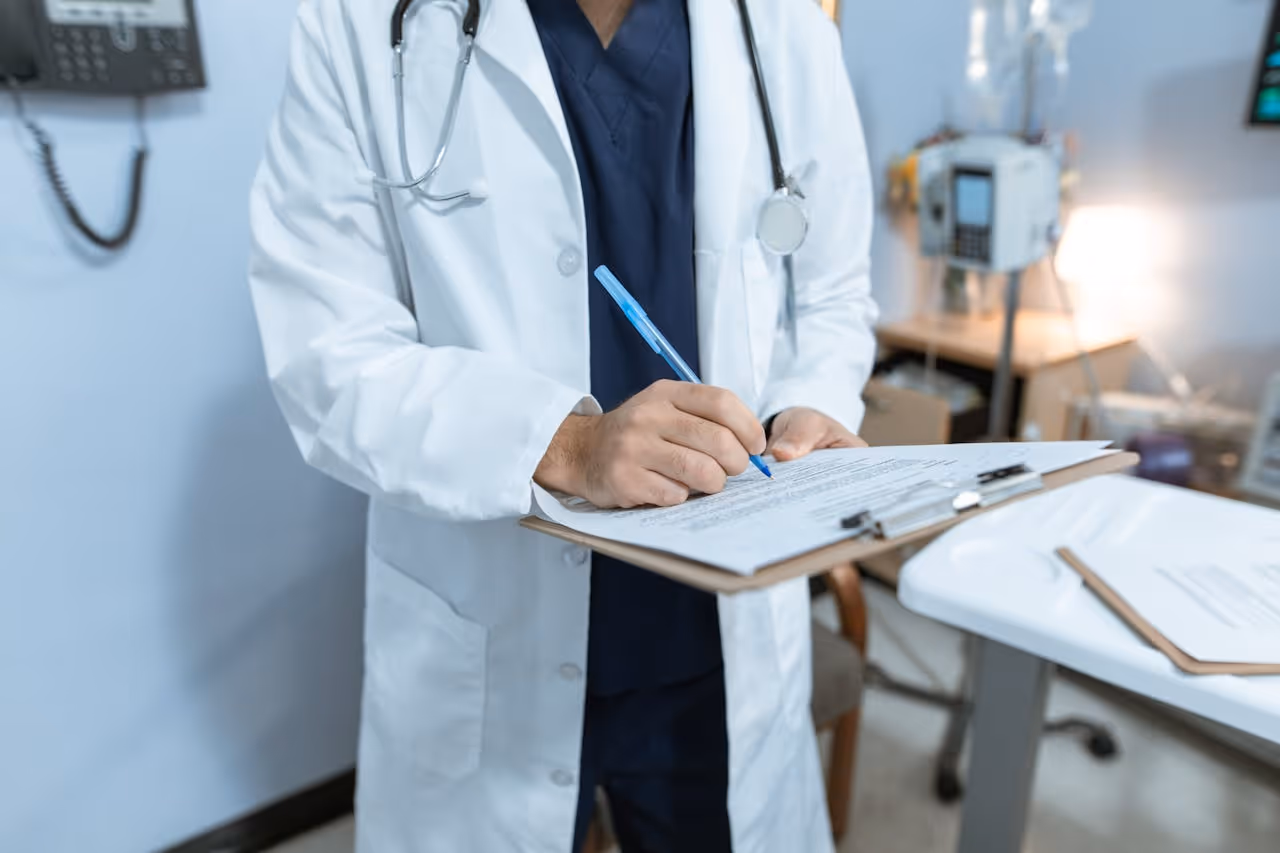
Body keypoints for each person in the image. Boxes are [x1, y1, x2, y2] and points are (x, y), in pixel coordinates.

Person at [248, 0, 877, 850]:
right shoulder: (359, 23)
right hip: (489, 617)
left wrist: (809, 406)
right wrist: (567, 443)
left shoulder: (780, 24)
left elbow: (833, 293)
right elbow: (327, 351)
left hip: (715, 637)